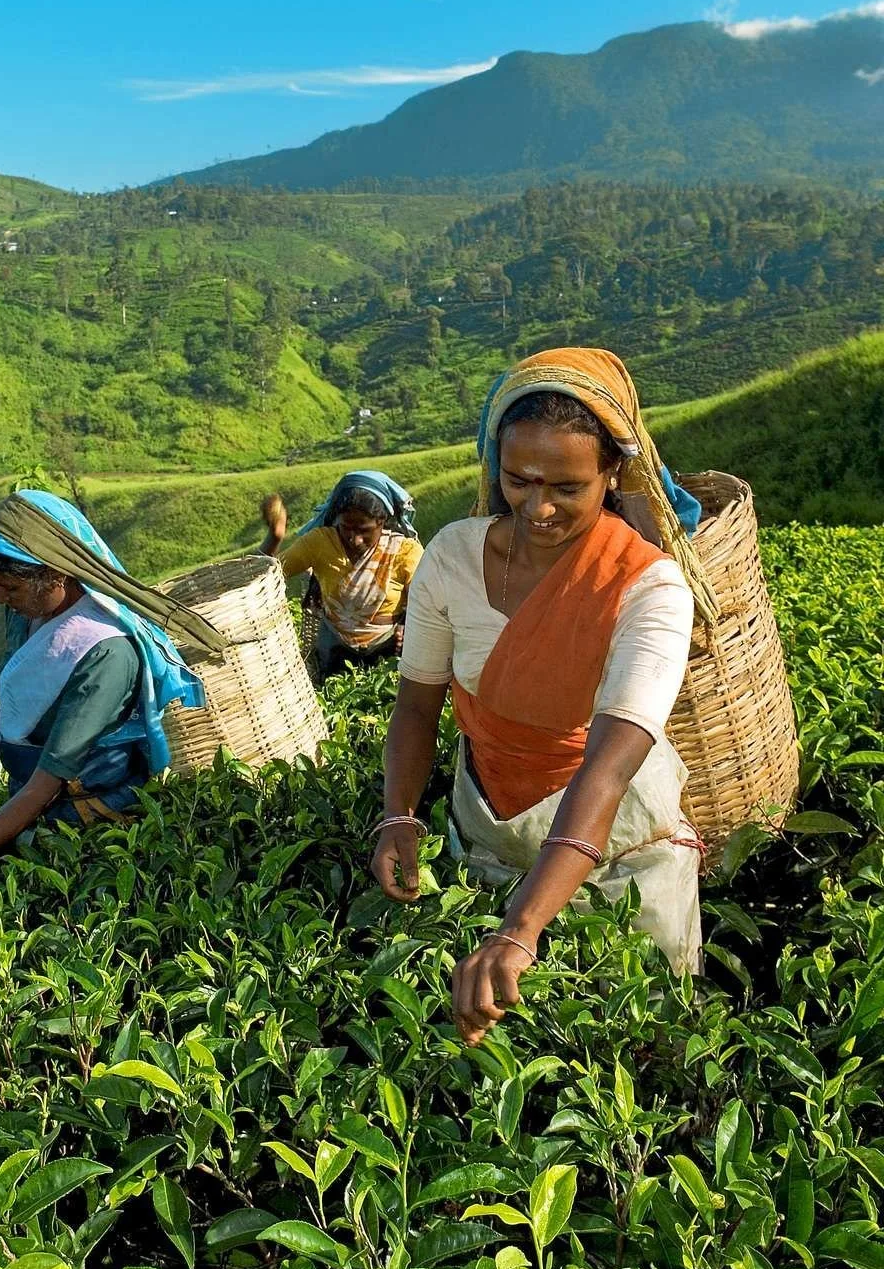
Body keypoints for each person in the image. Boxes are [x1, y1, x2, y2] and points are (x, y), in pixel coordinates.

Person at [371, 348, 720, 1044]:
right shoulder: (451, 557)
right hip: (488, 824)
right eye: (518, 481)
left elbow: (610, 766)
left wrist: (520, 929)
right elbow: (417, 705)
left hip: (617, 843)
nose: (539, 507)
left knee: (638, 1040)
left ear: (612, 473)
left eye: (566, 486)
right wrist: (397, 816)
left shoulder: (648, 588)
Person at [0, 488, 221, 921]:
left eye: (9, 587)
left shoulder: (106, 653)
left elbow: (46, 784)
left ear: (55, 575)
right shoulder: (32, 611)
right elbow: (19, 698)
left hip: (84, 815)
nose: (1, 599)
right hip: (29, 799)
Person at [260, 472, 423, 684]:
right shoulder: (320, 543)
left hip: (390, 651)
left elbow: (428, 603)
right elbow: (263, 576)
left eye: (364, 530)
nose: (354, 539)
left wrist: (407, 626)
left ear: (382, 521)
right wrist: (274, 538)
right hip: (334, 650)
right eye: (346, 527)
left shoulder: (404, 552)